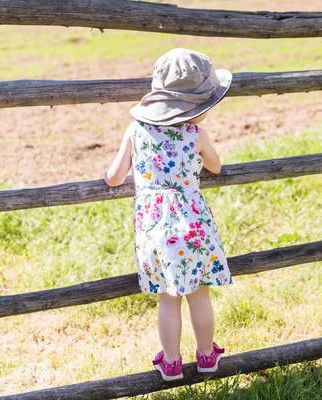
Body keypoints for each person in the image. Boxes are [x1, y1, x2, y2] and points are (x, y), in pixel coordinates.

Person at [103, 48, 233, 381]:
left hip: (155, 226)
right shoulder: (195, 135)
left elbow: (115, 177)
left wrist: (112, 178)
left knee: (168, 297)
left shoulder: (135, 132)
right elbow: (216, 167)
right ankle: (206, 356)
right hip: (193, 222)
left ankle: (171, 362)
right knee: (199, 293)